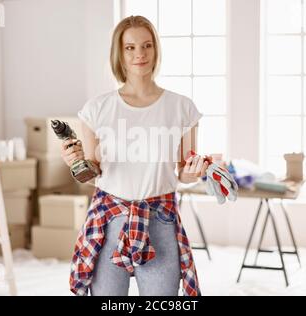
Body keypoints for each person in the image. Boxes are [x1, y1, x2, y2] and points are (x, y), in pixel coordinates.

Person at [61, 15, 208, 296]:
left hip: (160, 221)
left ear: (155, 50)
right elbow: (91, 171)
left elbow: (183, 172)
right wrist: (75, 163)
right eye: (130, 47)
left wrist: (197, 170)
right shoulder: (97, 109)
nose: (139, 54)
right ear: (120, 53)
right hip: (108, 222)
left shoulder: (182, 108)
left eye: (146, 45)